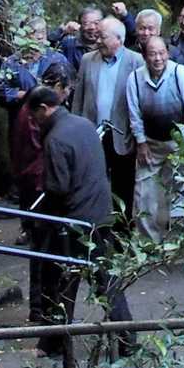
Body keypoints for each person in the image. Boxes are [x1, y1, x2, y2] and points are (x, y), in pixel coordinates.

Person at [27, 85, 132, 368]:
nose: (34, 123)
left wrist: (44, 198)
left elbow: (58, 186)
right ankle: (126, 338)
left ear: (43, 109)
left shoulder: (56, 139)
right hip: (100, 211)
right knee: (104, 278)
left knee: (61, 280)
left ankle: (55, 341)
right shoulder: (84, 124)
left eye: (34, 116)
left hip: (75, 219)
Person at [69, 13, 144, 217]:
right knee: (91, 187)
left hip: (122, 136)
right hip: (93, 134)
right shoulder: (87, 60)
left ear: (118, 40)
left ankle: (122, 239)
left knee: (123, 190)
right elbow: (79, 98)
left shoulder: (136, 61)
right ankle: (93, 233)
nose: (98, 40)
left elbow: (140, 102)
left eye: (103, 37)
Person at [14, 63, 70, 331]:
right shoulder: (38, 119)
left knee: (40, 250)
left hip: (30, 182)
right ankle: (42, 308)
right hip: (39, 185)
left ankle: (40, 307)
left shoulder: (27, 110)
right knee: (44, 250)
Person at [126, 36, 184, 242]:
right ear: (144, 56)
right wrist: (141, 142)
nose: (158, 58)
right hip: (151, 142)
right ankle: (148, 240)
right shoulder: (135, 79)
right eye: (152, 54)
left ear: (168, 53)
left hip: (179, 143)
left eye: (162, 53)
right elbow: (134, 113)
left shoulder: (179, 73)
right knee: (144, 192)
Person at [56, 6, 104, 75]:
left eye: (96, 23)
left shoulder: (107, 46)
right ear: (80, 25)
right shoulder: (70, 45)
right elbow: (47, 47)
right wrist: (62, 31)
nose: (92, 27)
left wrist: (125, 16)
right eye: (86, 23)